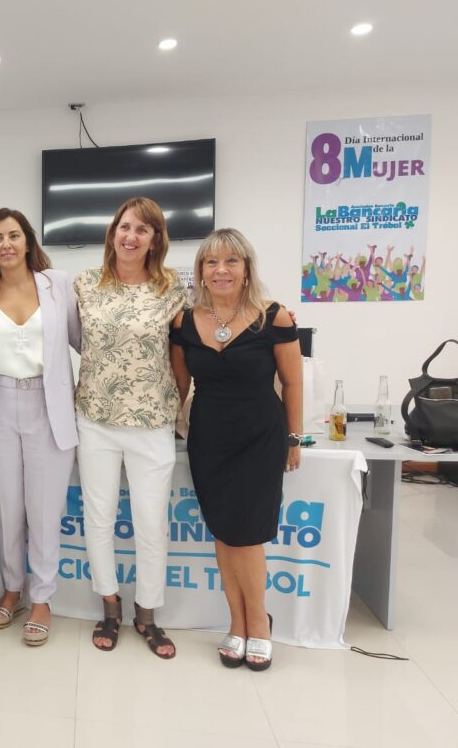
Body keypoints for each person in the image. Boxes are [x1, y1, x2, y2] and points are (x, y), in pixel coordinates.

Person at [170, 228, 302, 672]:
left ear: (246, 269)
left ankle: (259, 622)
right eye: (211, 262)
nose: (221, 270)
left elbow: (293, 382)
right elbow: (178, 386)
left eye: (231, 261)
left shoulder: (274, 317)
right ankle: (237, 621)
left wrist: (294, 437)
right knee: (224, 533)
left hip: (260, 437)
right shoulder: (183, 323)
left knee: (246, 535)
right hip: (209, 439)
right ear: (200, 271)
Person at [74, 197, 187, 659]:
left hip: (151, 422)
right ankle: (109, 606)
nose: (131, 236)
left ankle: (147, 613)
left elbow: (186, 350)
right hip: (95, 419)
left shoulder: (171, 289)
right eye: (125, 227)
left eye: (143, 229)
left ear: (155, 240)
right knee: (98, 518)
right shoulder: (85, 283)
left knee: (151, 523)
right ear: (112, 233)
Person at [0, 208, 80, 646]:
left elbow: (82, 341)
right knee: (7, 508)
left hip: (48, 406)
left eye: (13, 235)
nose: (6, 245)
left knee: (44, 511)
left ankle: (42, 598)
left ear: (28, 241)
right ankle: (12, 588)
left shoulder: (58, 284)